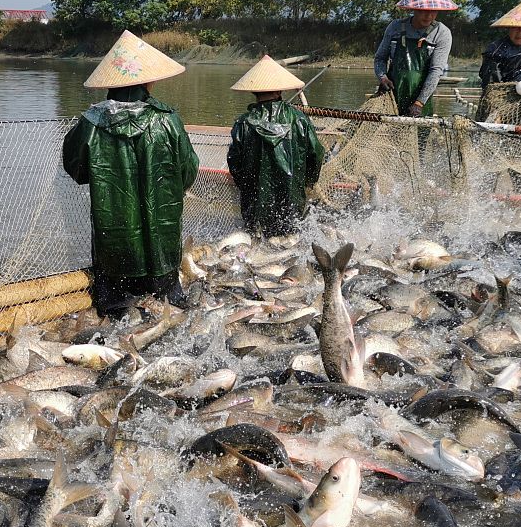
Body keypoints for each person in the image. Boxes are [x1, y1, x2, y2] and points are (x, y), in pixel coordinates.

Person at [63, 30, 199, 318]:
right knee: (168, 309)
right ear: (148, 80)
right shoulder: (168, 121)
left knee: (116, 313)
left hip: (115, 243)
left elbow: (76, 169)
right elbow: (188, 172)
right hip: (161, 245)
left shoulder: (91, 122)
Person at [226, 56, 325, 242]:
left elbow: (234, 162)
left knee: (257, 243)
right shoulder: (299, 119)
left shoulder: (243, 123)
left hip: (255, 202)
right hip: (292, 197)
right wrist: (308, 181)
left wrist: (246, 186)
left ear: (254, 91)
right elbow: (316, 154)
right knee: (291, 242)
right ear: (280, 90)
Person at [373, 0, 457, 116]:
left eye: (433, 11)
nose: (428, 16)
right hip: (391, 95)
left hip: (421, 99)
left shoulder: (442, 33)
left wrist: (419, 102)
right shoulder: (395, 27)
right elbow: (380, 58)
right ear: (414, 8)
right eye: (423, 10)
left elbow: (435, 71)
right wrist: (382, 77)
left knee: (420, 134)